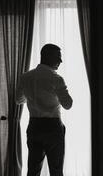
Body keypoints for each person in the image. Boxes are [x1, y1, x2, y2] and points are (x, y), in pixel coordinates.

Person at [16, 43, 73, 176]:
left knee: (33, 170)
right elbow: (68, 105)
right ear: (47, 57)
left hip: (34, 126)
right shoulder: (56, 79)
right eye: (58, 57)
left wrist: (32, 97)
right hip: (53, 128)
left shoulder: (25, 77)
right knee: (56, 170)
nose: (61, 61)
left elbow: (18, 100)